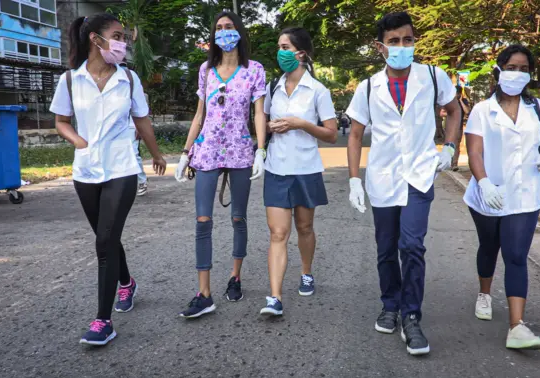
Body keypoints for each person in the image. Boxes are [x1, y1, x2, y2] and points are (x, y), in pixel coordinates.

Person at [346, 12, 461, 356]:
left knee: (412, 245)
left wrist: (451, 148)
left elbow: (454, 111)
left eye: (407, 40)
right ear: (380, 47)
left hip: (419, 174)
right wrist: (354, 179)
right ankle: (390, 305)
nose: (401, 47)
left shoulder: (433, 76)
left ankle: (411, 315)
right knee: (386, 249)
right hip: (382, 176)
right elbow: (354, 135)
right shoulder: (368, 87)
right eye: (393, 41)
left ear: (414, 42)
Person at [50, 13, 167, 346]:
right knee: (108, 237)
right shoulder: (71, 80)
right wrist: (79, 142)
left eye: (123, 37)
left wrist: (156, 154)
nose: (123, 43)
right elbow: (61, 120)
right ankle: (127, 282)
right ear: (95, 40)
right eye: (117, 35)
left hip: (121, 169)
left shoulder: (128, 79)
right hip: (86, 172)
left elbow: (142, 120)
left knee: (103, 242)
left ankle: (103, 321)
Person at [173, 11, 267, 318]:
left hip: (240, 150)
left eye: (229, 27)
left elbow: (258, 114)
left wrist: (261, 150)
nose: (224, 33)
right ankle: (204, 293)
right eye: (218, 29)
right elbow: (200, 114)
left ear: (239, 32)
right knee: (203, 221)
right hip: (208, 151)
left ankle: (235, 276)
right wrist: (186, 152)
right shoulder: (207, 70)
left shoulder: (254, 70)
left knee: (238, 218)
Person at [464, 45, 540, 350]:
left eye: (523, 68)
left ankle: (517, 326)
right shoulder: (481, 110)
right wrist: (484, 182)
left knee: (516, 255)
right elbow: (474, 150)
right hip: (488, 193)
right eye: (512, 67)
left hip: (526, 194)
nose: (517, 73)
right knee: (490, 247)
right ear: (500, 69)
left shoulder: (538, 108)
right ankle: (484, 293)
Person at [259, 28, 337, 316]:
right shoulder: (272, 87)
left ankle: (306, 272)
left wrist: (300, 123)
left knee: (304, 227)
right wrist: (270, 127)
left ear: (300, 53)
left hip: (306, 169)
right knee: (278, 233)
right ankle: (274, 298)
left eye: (285, 46)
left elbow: (330, 134)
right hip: (277, 168)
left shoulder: (318, 91)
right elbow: (262, 123)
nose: (280, 52)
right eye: (279, 46)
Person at [119, 62, 149, 196]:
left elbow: (141, 113)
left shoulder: (132, 84)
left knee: (133, 154)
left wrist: (139, 128)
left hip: (132, 125)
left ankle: (141, 180)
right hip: (117, 126)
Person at [451, 85, 472, 171]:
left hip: (458, 127)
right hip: (450, 127)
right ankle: (450, 161)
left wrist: (461, 101)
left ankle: (454, 164)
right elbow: (442, 113)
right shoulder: (450, 101)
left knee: (456, 145)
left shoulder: (463, 101)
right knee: (449, 145)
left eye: (458, 93)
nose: (456, 95)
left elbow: (467, 111)